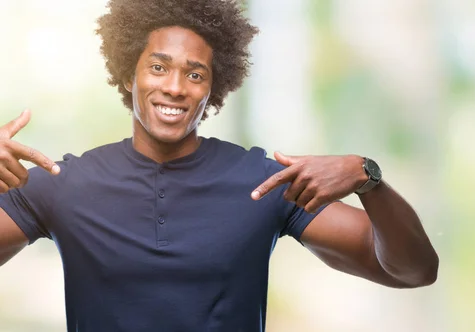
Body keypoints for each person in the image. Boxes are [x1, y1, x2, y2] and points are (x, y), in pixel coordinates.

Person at [0, 0, 438, 331]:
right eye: (158, 67)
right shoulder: (64, 185)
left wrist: (369, 180)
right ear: (129, 75)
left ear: (214, 88)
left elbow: (414, 270)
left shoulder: (264, 183)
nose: (175, 87)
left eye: (195, 75)